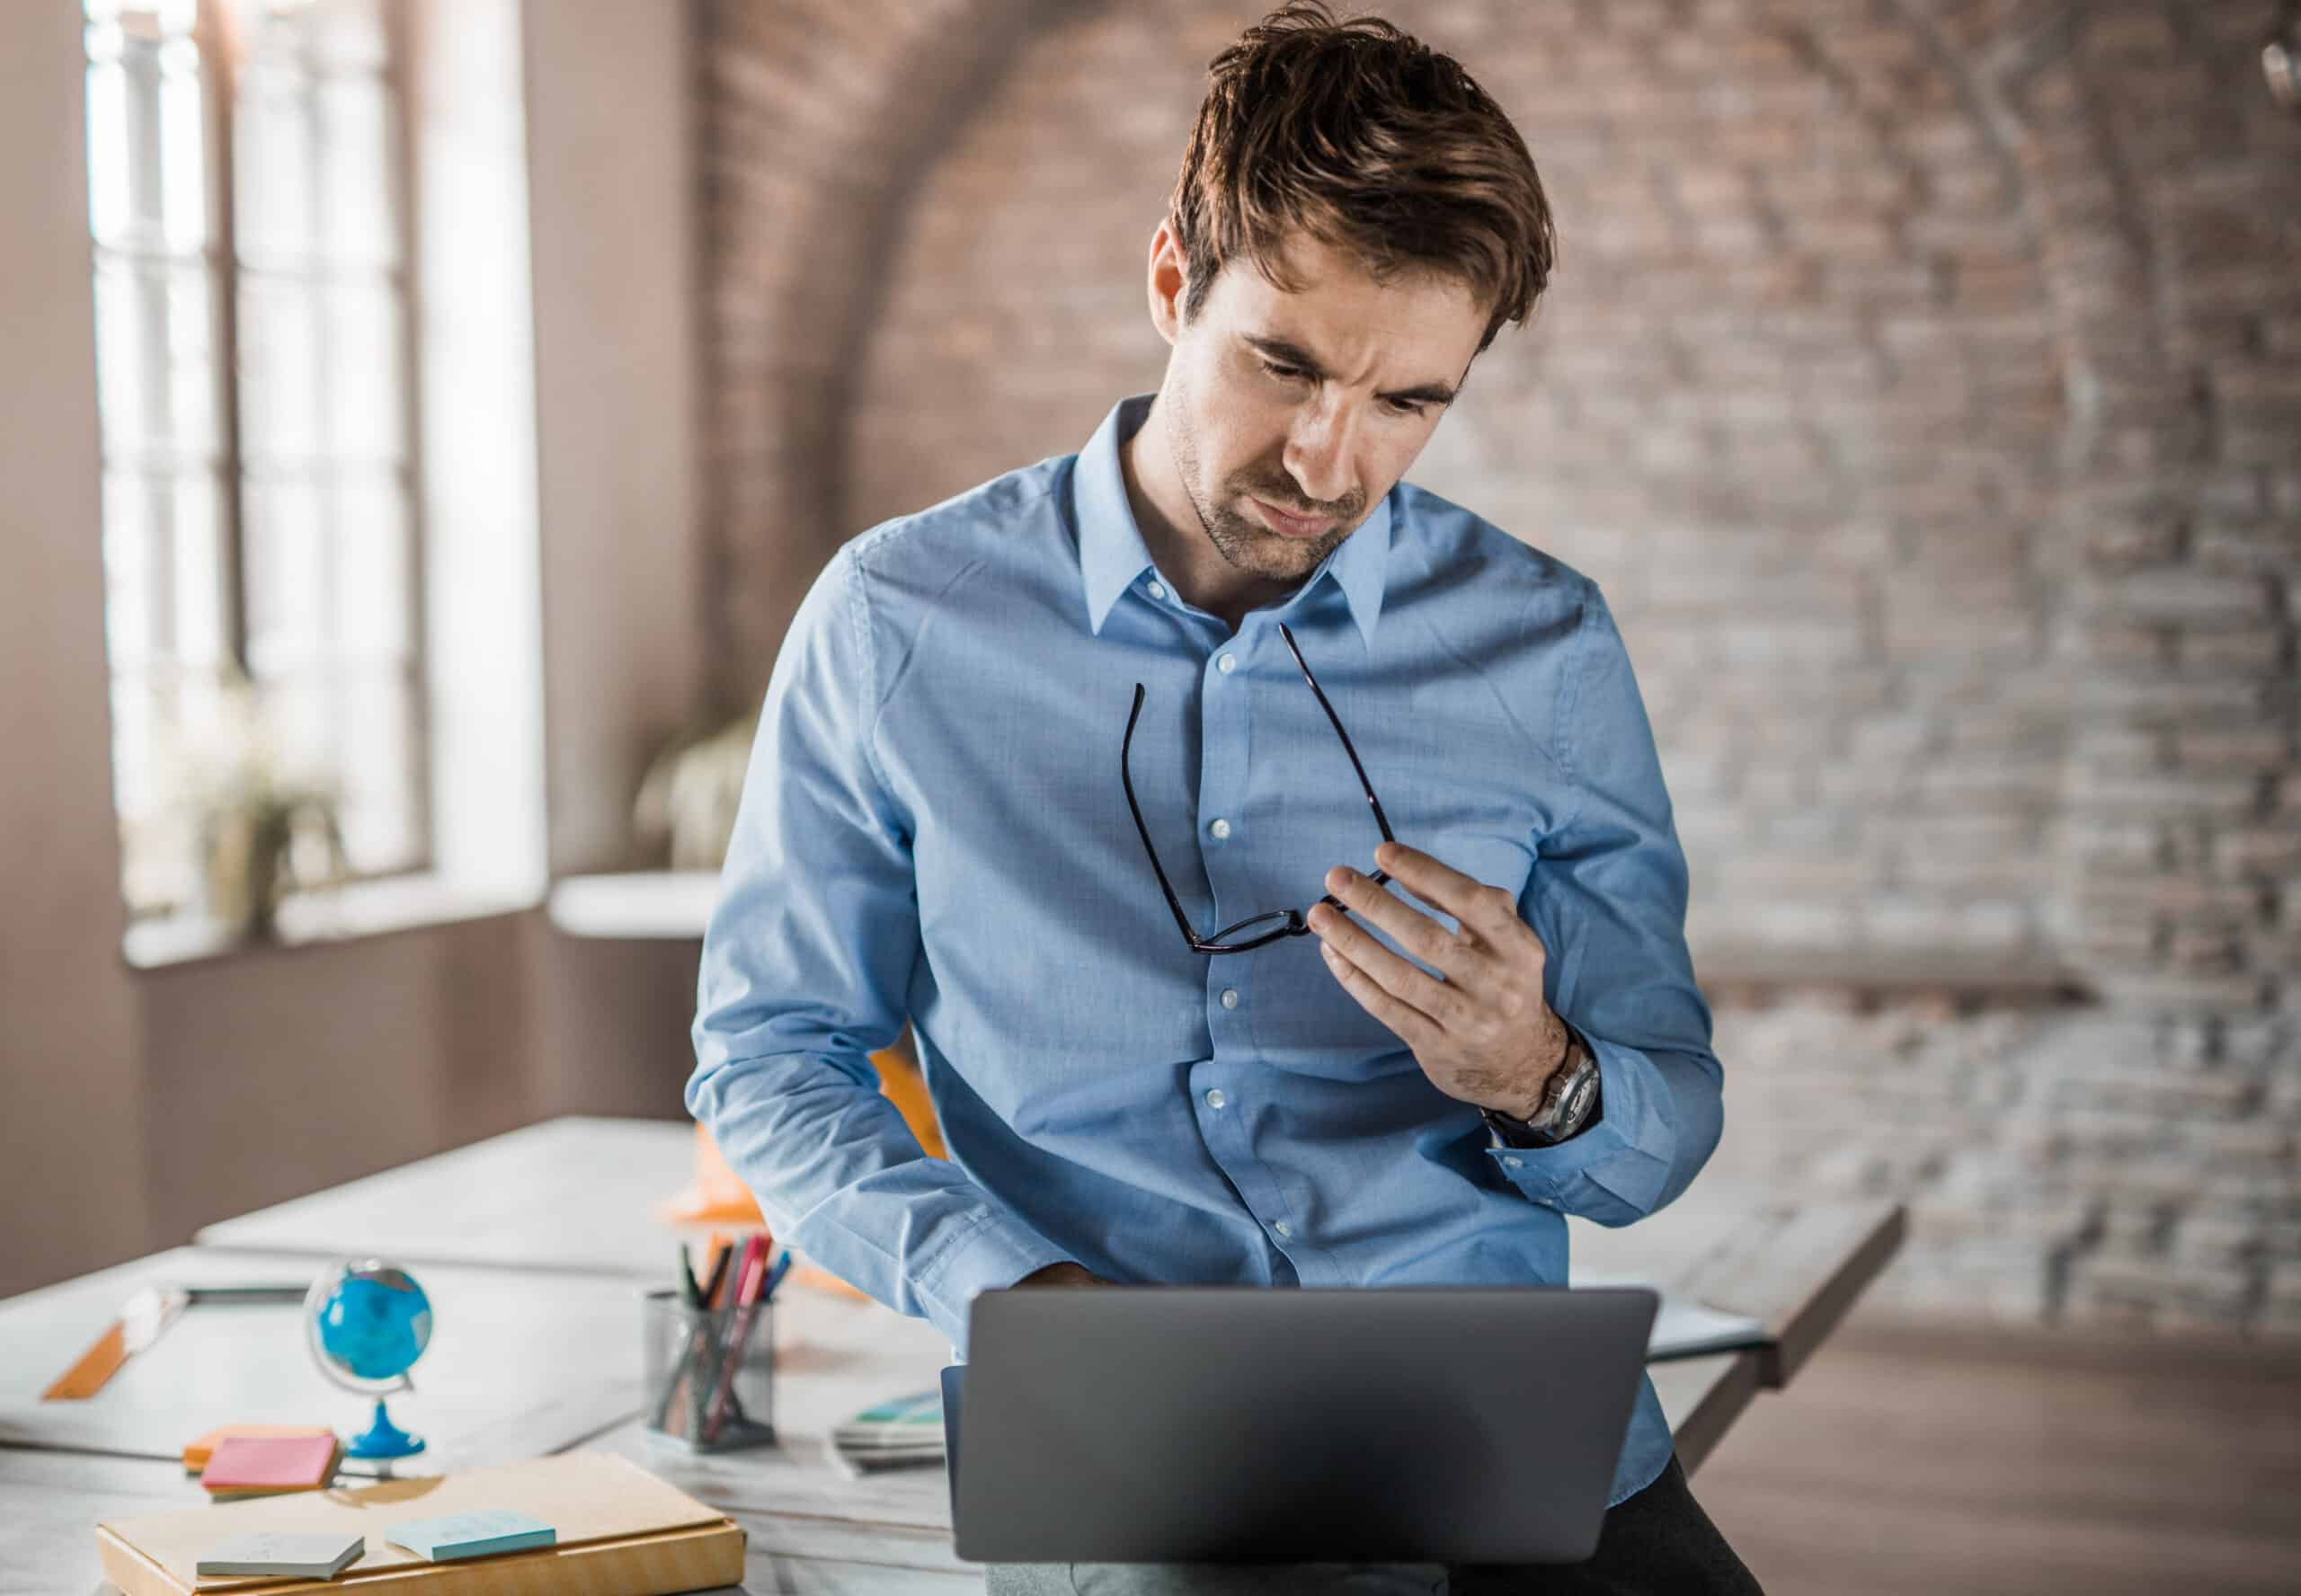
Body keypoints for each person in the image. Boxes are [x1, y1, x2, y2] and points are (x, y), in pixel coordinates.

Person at [687, 4, 1758, 1591]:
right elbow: (770, 1056)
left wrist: (1543, 1074)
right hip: (1132, 1454)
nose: (1330, 463)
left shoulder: (1544, 645)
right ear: (1175, 282)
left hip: (1506, 1438)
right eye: (1286, 365)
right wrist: (1012, 1288)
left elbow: (1662, 1118)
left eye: (1410, 403)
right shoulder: (893, 620)